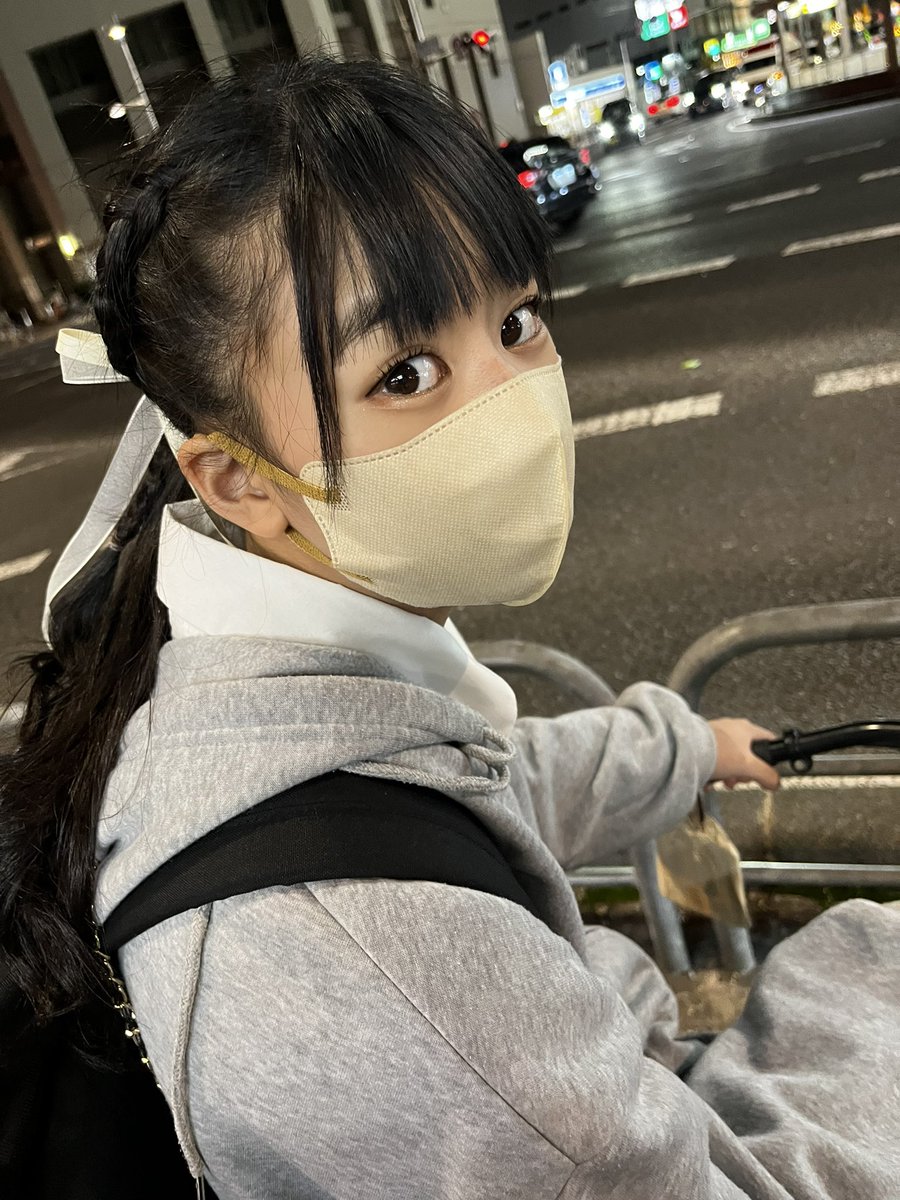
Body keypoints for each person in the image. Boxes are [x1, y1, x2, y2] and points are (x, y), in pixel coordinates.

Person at [2, 55, 898, 1200]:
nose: (511, 403)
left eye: (517, 319)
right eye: (408, 371)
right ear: (238, 480)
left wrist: (683, 748)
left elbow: (465, 791)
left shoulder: (232, 682)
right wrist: (867, 966)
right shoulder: (391, 982)